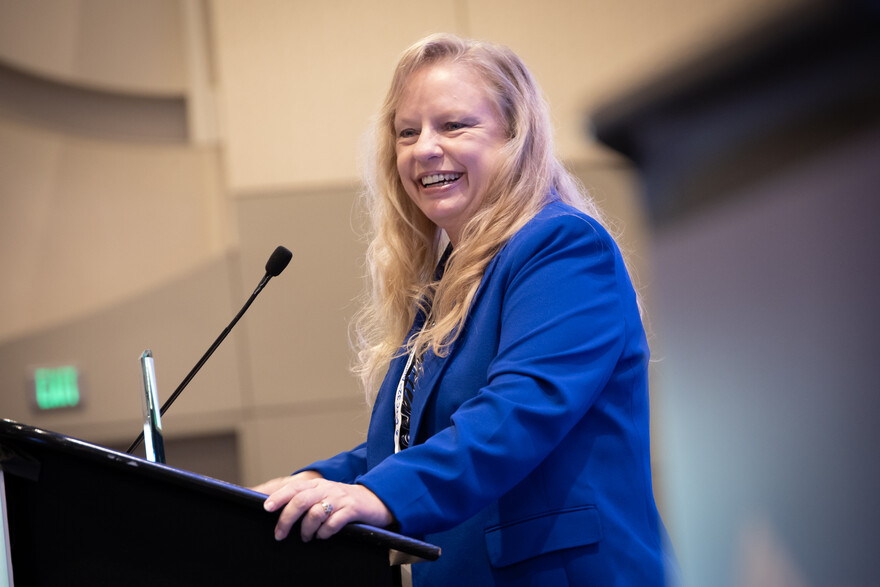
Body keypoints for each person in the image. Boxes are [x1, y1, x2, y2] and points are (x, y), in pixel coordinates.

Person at [254, 33, 677, 585]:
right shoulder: (451, 275)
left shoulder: (561, 245)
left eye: (453, 126)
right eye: (408, 132)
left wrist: (375, 494)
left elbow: (518, 411)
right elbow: (420, 440)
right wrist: (306, 484)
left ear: (516, 136)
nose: (424, 148)